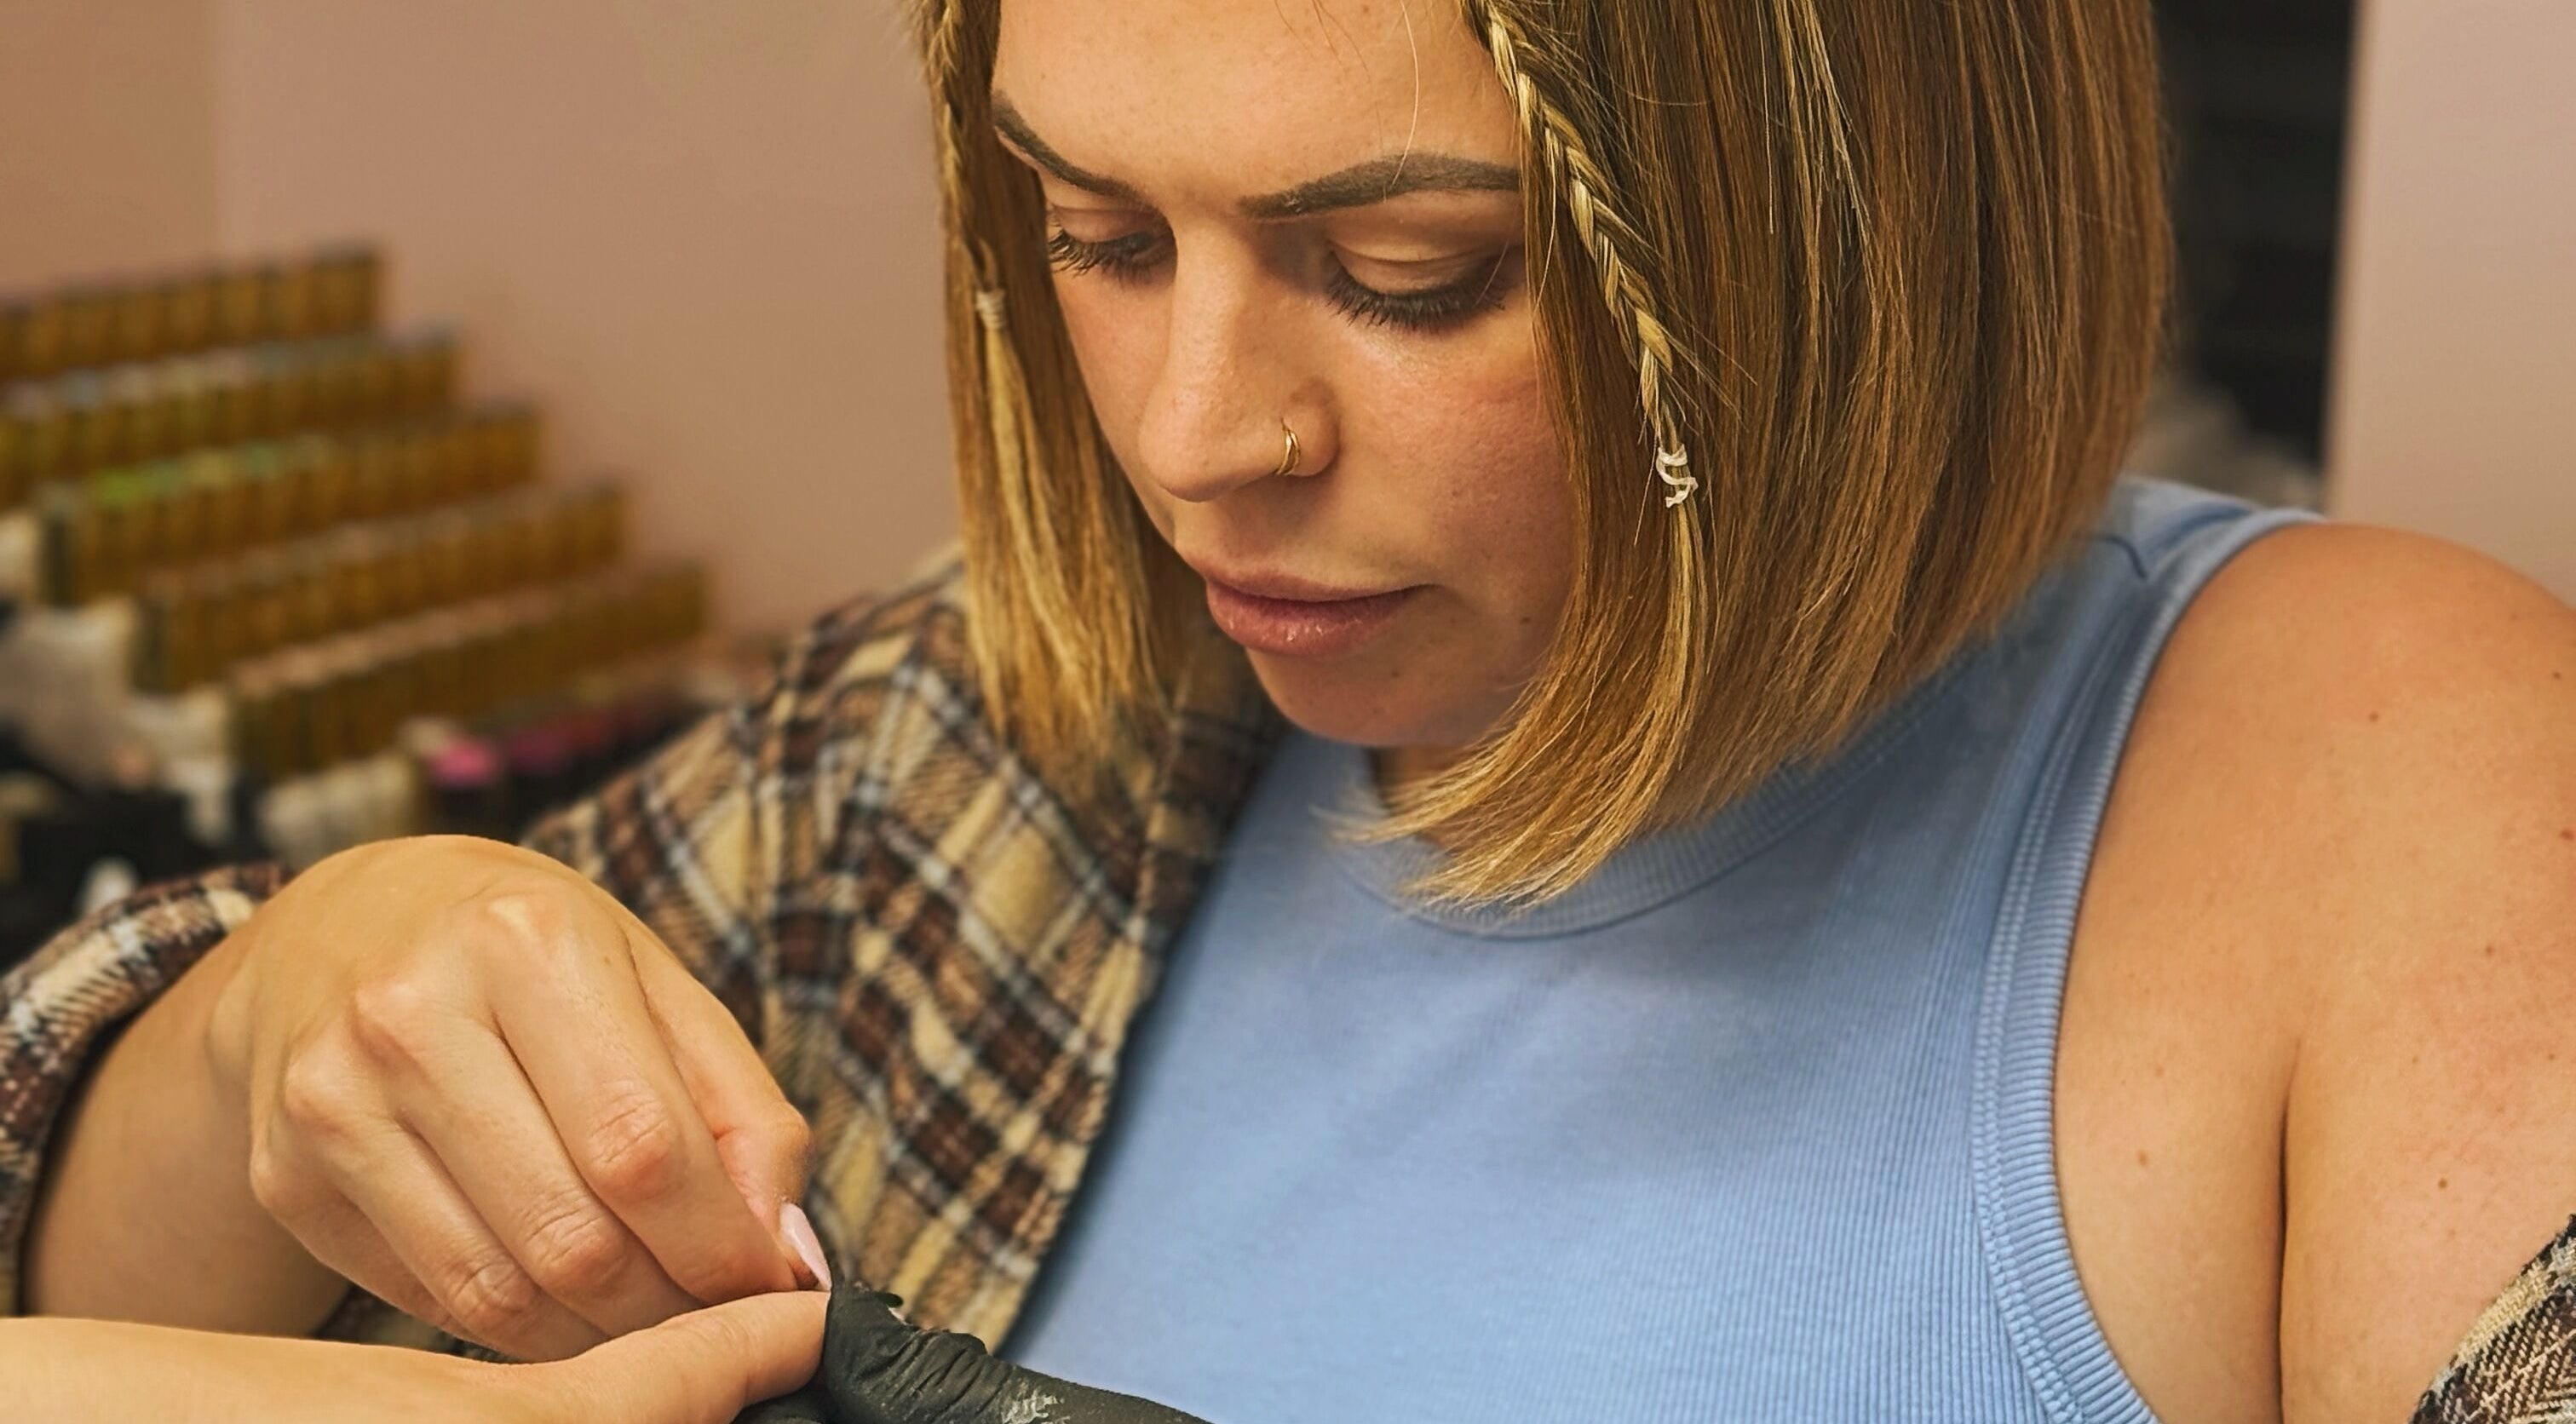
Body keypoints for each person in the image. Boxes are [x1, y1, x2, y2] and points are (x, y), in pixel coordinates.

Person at [6, 0, 2573, 1419]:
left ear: (1851, 243)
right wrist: (264, 1029)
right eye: (1095, 236)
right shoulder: (964, 749)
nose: (1195, 439)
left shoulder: (2393, 786)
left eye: (1412, 274)